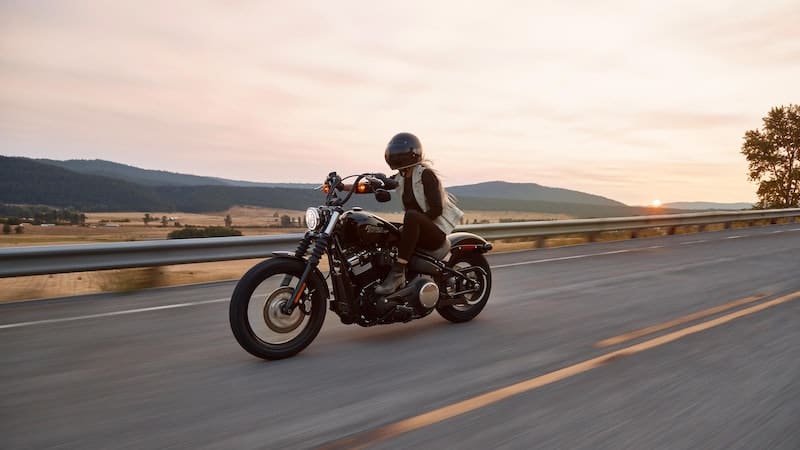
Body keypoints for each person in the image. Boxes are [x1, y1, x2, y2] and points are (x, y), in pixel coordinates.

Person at [373, 132, 464, 295]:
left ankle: (398, 272)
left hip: (434, 233)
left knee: (411, 216)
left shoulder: (425, 175)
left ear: (412, 153)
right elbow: (378, 185)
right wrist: (340, 187)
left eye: (400, 152)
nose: (396, 156)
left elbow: (437, 210)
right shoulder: (401, 176)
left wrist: (415, 224)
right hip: (419, 228)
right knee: (385, 228)